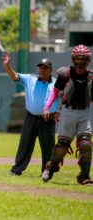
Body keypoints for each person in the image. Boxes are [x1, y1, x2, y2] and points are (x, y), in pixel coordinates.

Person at [42, 45, 93, 185]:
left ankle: (84, 175)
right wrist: (47, 108)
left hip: (85, 111)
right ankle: (50, 169)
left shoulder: (91, 77)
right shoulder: (65, 74)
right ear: (73, 59)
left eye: (83, 59)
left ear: (88, 60)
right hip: (68, 111)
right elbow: (55, 93)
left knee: (86, 144)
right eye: (78, 58)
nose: (80, 62)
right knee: (62, 145)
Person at [2, 52, 60, 176]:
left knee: (48, 147)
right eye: (40, 67)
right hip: (31, 118)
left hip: (47, 120)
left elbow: (64, 99)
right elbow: (15, 76)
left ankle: (47, 171)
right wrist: (7, 66)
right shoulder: (30, 79)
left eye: (45, 67)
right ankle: (17, 169)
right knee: (25, 144)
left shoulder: (57, 83)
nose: (42, 69)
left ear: (50, 69)